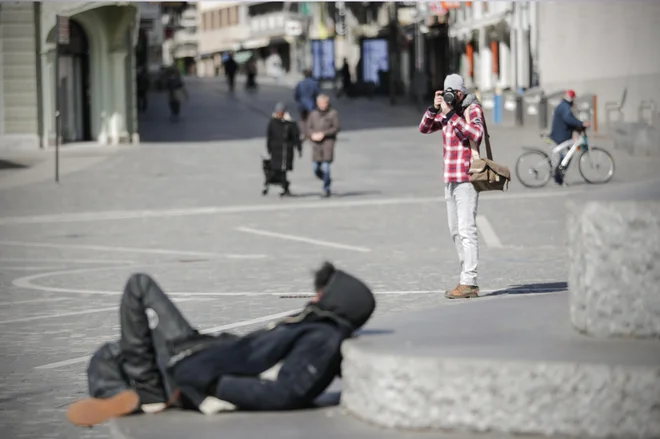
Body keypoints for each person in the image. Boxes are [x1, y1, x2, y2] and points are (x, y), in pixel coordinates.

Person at [66, 262, 376, 427]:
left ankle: (144, 389)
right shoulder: (314, 324)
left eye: (321, 294)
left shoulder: (323, 338)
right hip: (201, 349)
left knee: (112, 351)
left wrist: (214, 386)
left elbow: (287, 393)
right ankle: (130, 391)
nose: (314, 297)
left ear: (338, 302)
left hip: (195, 366)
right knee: (138, 291)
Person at [418, 74, 485, 299]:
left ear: (459, 93)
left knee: (467, 230)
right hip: (449, 178)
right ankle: (465, 276)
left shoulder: (471, 108)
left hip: (466, 177)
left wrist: (452, 116)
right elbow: (424, 128)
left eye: (451, 92)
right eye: (444, 91)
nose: (448, 96)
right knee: (455, 231)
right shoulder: (446, 111)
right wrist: (434, 108)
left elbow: (477, 133)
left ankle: (470, 281)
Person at [549, 89, 591, 185]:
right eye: (573, 98)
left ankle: (558, 176)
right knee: (566, 156)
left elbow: (568, 120)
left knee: (565, 156)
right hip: (561, 136)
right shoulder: (565, 107)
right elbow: (568, 118)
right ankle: (558, 177)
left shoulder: (563, 105)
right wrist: (581, 123)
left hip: (560, 134)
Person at [265, 102, 303, 197]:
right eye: (278, 111)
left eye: (281, 112)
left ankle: (285, 188)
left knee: (284, 169)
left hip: (286, 149)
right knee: (277, 169)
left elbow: (295, 136)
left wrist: (298, 148)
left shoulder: (290, 123)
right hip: (276, 149)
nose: (279, 113)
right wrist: (269, 147)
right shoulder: (273, 122)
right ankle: (285, 185)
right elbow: (269, 136)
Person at [306, 94, 340, 198]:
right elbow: (308, 127)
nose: (322, 105)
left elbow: (336, 127)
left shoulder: (333, 113)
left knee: (326, 166)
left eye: (324, 103)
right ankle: (326, 179)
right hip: (316, 145)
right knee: (316, 168)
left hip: (327, 143)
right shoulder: (313, 114)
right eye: (320, 103)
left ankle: (326, 188)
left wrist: (324, 134)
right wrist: (312, 135)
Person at [294, 69, 320, 134]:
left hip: (302, 104)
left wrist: (298, 100)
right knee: (311, 119)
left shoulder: (300, 83)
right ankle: (310, 132)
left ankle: (304, 132)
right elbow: (317, 94)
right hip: (311, 104)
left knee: (302, 119)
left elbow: (297, 94)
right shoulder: (315, 83)